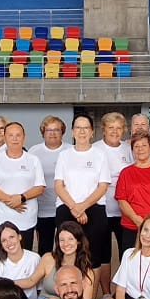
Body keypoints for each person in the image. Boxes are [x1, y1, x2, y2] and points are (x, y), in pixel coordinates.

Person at [53, 113, 114, 270]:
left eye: (86, 128)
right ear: (72, 132)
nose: (82, 131)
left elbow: (103, 186)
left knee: (94, 257)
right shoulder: (64, 155)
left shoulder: (100, 155)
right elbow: (59, 185)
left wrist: (83, 206)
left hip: (94, 208)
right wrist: (75, 207)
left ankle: (91, 287)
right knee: (67, 254)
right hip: (67, 208)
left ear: (92, 132)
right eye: (78, 128)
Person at [0, 120, 45, 252]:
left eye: (18, 135)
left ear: (24, 137)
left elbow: (40, 187)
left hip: (25, 219)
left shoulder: (33, 160)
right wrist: (11, 201)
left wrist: (21, 198)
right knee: (1, 257)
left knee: (24, 256)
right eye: (10, 135)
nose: (14, 139)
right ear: (5, 138)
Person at [112, 131, 150, 260]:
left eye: (144, 145)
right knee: (130, 261)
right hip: (133, 226)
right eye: (136, 146)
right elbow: (122, 200)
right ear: (132, 150)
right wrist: (135, 218)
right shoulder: (126, 173)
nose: (140, 149)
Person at [31, 219, 98, 299]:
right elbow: (30, 281)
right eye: (62, 240)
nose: (66, 244)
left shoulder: (87, 271)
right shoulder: (49, 258)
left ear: (78, 241)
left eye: (70, 239)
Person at [97, 112, 133, 255]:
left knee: (126, 252)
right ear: (103, 129)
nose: (114, 131)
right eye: (111, 127)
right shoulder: (95, 149)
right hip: (101, 209)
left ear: (123, 130)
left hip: (124, 211)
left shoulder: (128, 149)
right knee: (103, 254)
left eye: (119, 128)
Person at [30, 114, 66, 253]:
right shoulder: (34, 152)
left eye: (56, 130)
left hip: (65, 207)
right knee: (44, 248)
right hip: (42, 209)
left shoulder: (70, 150)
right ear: (43, 132)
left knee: (65, 246)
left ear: (62, 132)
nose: (52, 133)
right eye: (49, 130)